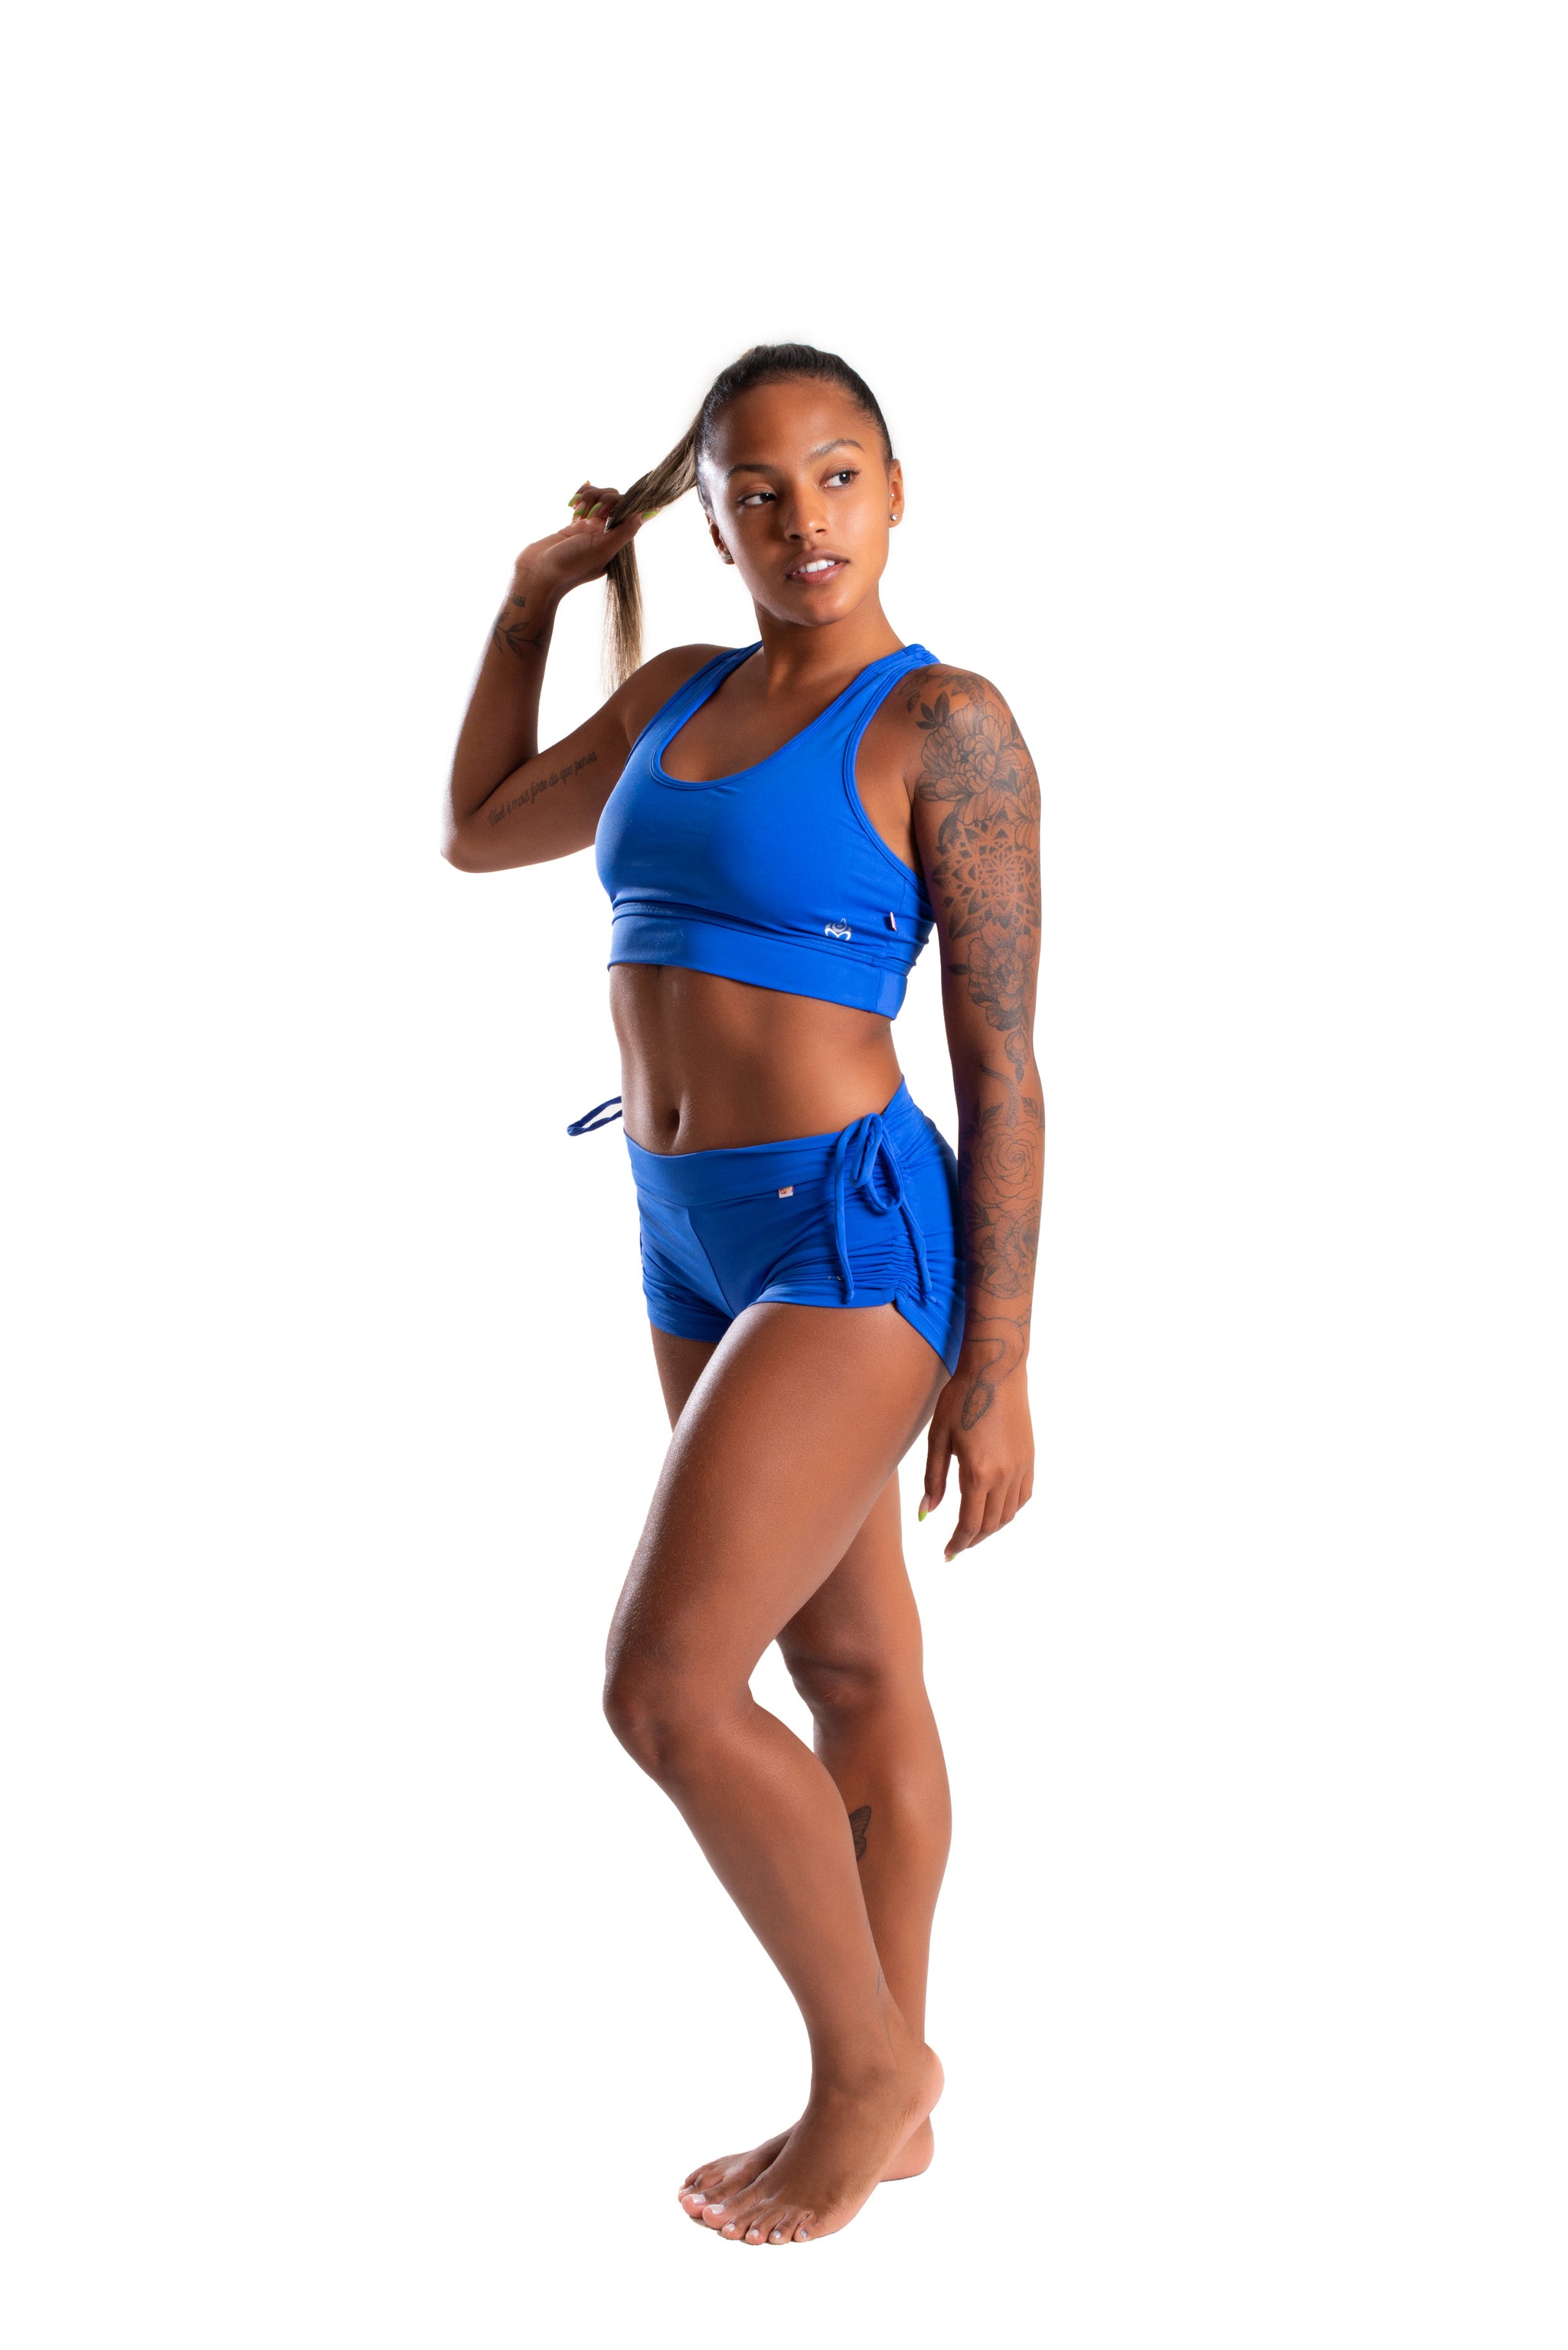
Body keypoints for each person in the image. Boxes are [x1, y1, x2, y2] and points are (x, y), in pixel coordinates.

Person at [443, 345, 1042, 2247]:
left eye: (837, 474)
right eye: (759, 491)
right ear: (709, 522)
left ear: (897, 489)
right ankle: (897, 2093)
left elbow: (1003, 1064)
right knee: (843, 1668)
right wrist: (527, 608)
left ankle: (867, 2070)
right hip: (683, 1226)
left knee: (668, 1685)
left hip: (851, 1236)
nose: (803, 519)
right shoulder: (675, 695)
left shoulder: (941, 722)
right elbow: (479, 826)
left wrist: (999, 1362)